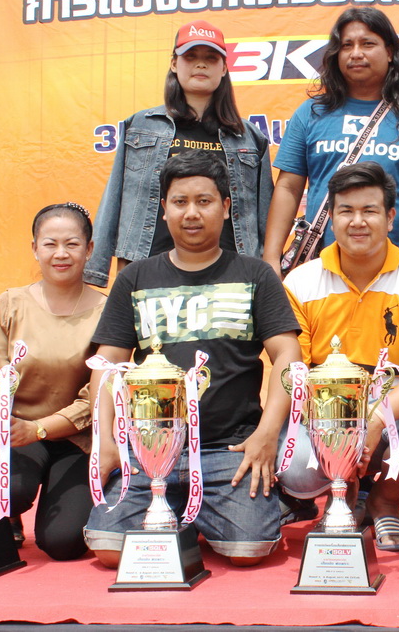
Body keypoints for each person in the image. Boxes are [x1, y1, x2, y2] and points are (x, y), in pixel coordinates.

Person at [83, 150, 302, 567]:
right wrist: (105, 441)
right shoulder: (134, 278)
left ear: (226, 207)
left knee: (248, 550)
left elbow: (288, 356)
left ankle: (221, 509)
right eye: (180, 202)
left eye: (204, 201)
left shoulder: (255, 275)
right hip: (149, 448)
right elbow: (107, 365)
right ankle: (185, 511)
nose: (192, 213)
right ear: (164, 209)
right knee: (109, 550)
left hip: (229, 449)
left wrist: (266, 434)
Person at [280, 162, 399, 551]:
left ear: (391, 218)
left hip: (394, 413)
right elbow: (294, 372)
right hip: (326, 412)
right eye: (346, 211)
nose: (357, 221)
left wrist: (376, 419)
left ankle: (384, 502)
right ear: (331, 218)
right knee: (294, 471)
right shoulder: (300, 281)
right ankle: (340, 500)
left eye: (370, 210)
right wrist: (343, 430)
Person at [0, 202, 107, 561]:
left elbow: (96, 397)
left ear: (89, 249)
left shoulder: (107, 311)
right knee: (1, 494)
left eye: (72, 244)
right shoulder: (9, 305)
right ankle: (8, 514)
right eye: (50, 244)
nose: (61, 254)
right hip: (16, 433)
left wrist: (39, 428)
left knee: (63, 543)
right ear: (34, 248)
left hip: (78, 439)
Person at [84, 19, 273, 287]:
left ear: (224, 68)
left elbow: (265, 217)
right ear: (174, 64)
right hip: (147, 269)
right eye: (190, 56)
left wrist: (267, 272)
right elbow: (113, 199)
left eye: (211, 58)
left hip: (230, 275)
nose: (200, 64)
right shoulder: (140, 126)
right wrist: (97, 268)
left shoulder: (249, 137)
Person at [262, 7, 399, 271]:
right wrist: (270, 258)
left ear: (390, 52)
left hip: (395, 270)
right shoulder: (310, 114)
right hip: (320, 269)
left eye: (368, 44)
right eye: (347, 45)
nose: (356, 53)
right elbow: (288, 188)